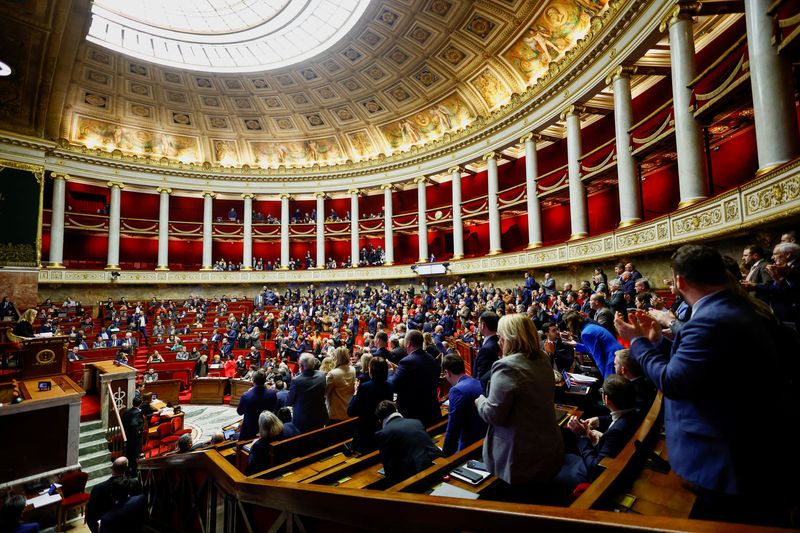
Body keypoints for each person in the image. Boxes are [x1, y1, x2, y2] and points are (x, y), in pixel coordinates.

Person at [615, 244, 790, 526]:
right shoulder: (735, 305)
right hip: (744, 446)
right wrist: (658, 341)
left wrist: (637, 341)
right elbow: (700, 364)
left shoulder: (710, 319)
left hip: (726, 458)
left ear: (680, 281)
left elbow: (672, 381)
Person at [475, 314, 563, 501]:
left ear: (511, 338)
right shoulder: (542, 358)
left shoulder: (506, 366)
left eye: (501, 337)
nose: (499, 342)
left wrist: (479, 400)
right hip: (548, 447)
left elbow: (493, 415)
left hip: (520, 457)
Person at [555, 374, 640, 491]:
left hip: (594, 478)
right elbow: (616, 418)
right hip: (616, 464)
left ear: (606, 399)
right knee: (564, 457)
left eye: (602, 391)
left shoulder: (615, 432)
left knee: (553, 472)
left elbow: (595, 469)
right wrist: (598, 421)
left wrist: (583, 436)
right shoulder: (635, 413)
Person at [374, 400, 443, 484]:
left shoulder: (383, 433)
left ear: (380, 421)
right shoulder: (416, 422)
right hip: (433, 465)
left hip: (413, 477)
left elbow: (389, 465)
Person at [389, 330, 441, 427]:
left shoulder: (406, 362)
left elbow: (393, 384)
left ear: (408, 343)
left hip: (413, 413)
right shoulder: (430, 358)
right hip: (431, 408)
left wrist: (391, 372)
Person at [441, 354, 486, 457]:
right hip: (484, 438)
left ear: (447, 372)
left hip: (469, 446)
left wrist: (445, 455)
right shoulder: (477, 381)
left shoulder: (456, 390)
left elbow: (453, 428)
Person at [347, 356, 394, 454]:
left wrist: (355, 393)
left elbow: (351, 411)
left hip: (367, 432)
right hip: (382, 428)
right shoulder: (390, 385)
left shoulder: (365, 387)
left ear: (371, 370)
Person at [86, 457, 142, 533]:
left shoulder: (97, 489)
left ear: (112, 467)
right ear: (126, 468)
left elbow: (90, 517)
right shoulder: (135, 483)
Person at [562, 310, 622, 379]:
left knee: (612, 385)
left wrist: (606, 379)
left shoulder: (586, 333)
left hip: (611, 358)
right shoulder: (589, 326)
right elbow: (591, 348)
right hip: (616, 354)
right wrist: (576, 345)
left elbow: (599, 358)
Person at [287, 353, 328, 433]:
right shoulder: (322, 376)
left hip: (303, 420)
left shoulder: (296, 381)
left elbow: (289, 401)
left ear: (301, 366)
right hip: (319, 416)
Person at [236, 370, 278, 440]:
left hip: (250, 430)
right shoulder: (273, 394)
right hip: (267, 428)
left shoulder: (246, 395)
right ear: (265, 380)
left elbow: (239, 412)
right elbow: (274, 409)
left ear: (253, 381)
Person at [245, 411, 285, 475]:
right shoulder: (283, 434)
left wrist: (253, 446)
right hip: (282, 468)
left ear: (261, 427)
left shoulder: (258, 446)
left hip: (264, 475)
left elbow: (251, 465)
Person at [325, 346, 356, 424]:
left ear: (336, 357)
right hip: (348, 410)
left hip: (336, 413)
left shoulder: (333, 374)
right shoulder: (353, 370)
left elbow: (325, 392)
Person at [474, 311, 500, 390]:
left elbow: (481, 378)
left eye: (479, 323)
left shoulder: (487, 349)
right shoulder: (498, 341)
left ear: (483, 325)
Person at [120, 396, 144, 475]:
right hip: (135, 439)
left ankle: (127, 469)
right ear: (140, 404)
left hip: (126, 436)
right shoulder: (138, 413)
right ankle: (133, 473)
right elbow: (134, 424)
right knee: (134, 455)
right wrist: (139, 432)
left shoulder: (126, 411)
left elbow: (122, 422)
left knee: (128, 454)